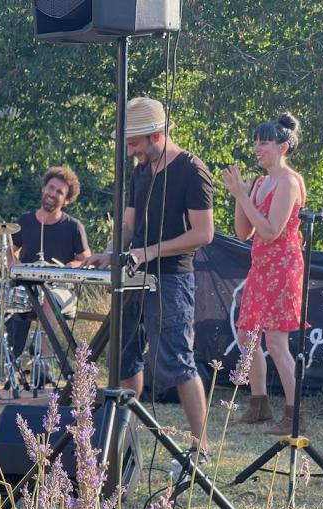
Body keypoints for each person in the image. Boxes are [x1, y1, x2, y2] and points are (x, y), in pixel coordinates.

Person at [84, 96, 214, 457]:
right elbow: (128, 226)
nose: (130, 150)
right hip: (133, 275)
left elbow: (204, 234)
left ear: (157, 135)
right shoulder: (141, 170)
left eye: (135, 142)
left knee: (175, 359)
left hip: (172, 278)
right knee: (123, 356)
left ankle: (199, 447)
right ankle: (124, 434)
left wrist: (151, 251)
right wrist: (111, 254)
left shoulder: (192, 170)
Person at [222, 113, 306, 434]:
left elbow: (271, 230)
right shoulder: (260, 182)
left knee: (276, 340)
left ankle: (293, 414)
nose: (258, 148)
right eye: (256, 142)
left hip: (284, 268)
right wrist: (240, 195)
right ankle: (259, 405)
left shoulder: (288, 181)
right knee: (247, 335)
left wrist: (243, 195)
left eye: (265, 142)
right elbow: (244, 232)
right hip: (261, 267)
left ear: (283, 147)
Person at [0, 166, 91, 385]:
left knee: (48, 300)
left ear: (67, 200)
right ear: (43, 189)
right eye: (51, 187)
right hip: (26, 287)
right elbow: (12, 251)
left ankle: (43, 360)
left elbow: (85, 259)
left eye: (60, 191)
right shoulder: (25, 221)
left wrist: (71, 265)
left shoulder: (73, 227)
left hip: (60, 290)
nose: (53, 193)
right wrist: (12, 262)